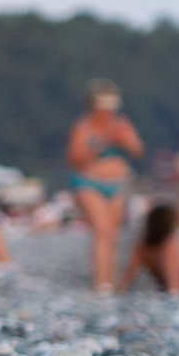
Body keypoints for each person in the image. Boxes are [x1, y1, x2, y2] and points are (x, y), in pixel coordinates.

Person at [65, 83, 143, 294]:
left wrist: (125, 140)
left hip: (117, 183)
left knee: (112, 234)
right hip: (89, 181)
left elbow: (137, 150)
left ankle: (109, 280)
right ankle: (101, 283)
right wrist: (104, 141)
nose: (108, 111)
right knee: (102, 230)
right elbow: (75, 158)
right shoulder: (83, 127)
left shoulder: (121, 124)